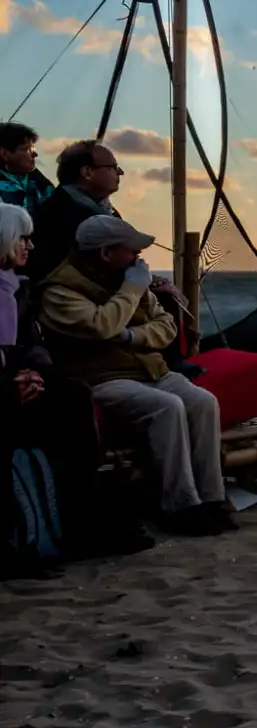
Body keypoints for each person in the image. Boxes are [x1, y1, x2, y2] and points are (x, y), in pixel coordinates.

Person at [37, 216, 233, 535]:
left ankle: (211, 500)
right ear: (105, 253)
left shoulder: (128, 277)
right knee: (166, 407)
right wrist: (131, 290)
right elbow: (101, 325)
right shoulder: (61, 291)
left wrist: (130, 336)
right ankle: (181, 505)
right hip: (101, 378)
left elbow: (165, 326)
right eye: (131, 250)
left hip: (149, 368)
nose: (138, 257)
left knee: (202, 402)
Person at [0, 206, 152, 568]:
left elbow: (30, 345)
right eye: (23, 238)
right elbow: (101, 327)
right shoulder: (54, 288)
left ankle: (76, 519)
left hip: (19, 380)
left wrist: (34, 372)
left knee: (73, 397)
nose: (29, 246)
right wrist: (11, 374)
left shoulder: (14, 289)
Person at [28, 140, 124, 282]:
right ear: (87, 172)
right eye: (113, 167)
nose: (120, 172)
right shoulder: (58, 215)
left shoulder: (104, 211)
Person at [0, 124, 54, 214]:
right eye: (28, 150)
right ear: (4, 154)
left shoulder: (41, 183)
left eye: (33, 149)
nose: (35, 155)